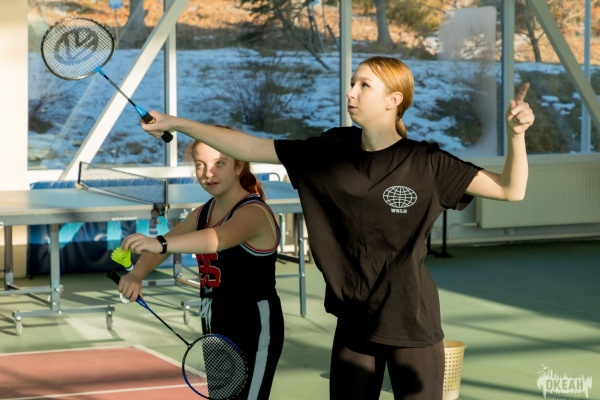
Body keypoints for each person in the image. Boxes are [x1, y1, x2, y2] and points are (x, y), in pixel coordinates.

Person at [138, 56, 534, 400]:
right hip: (355, 324)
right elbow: (251, 147)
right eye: (352, 83)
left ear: (393, 100)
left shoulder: (427, 162)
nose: (351, 92)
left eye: (364, 85)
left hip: (412, 323)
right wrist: (177, 123)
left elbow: (510, 189)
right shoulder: (328, 152)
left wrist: (517, 137)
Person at [116, 138, 284, 400]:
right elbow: (166, 246)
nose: (208, 173)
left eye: (219, 163)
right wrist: (136, 274)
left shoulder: (254, 212)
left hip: (254, 326)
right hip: (215, 323)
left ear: (238, 166)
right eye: (200, 165)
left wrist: (159, 243)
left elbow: (216, 239)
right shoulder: (203, 213)